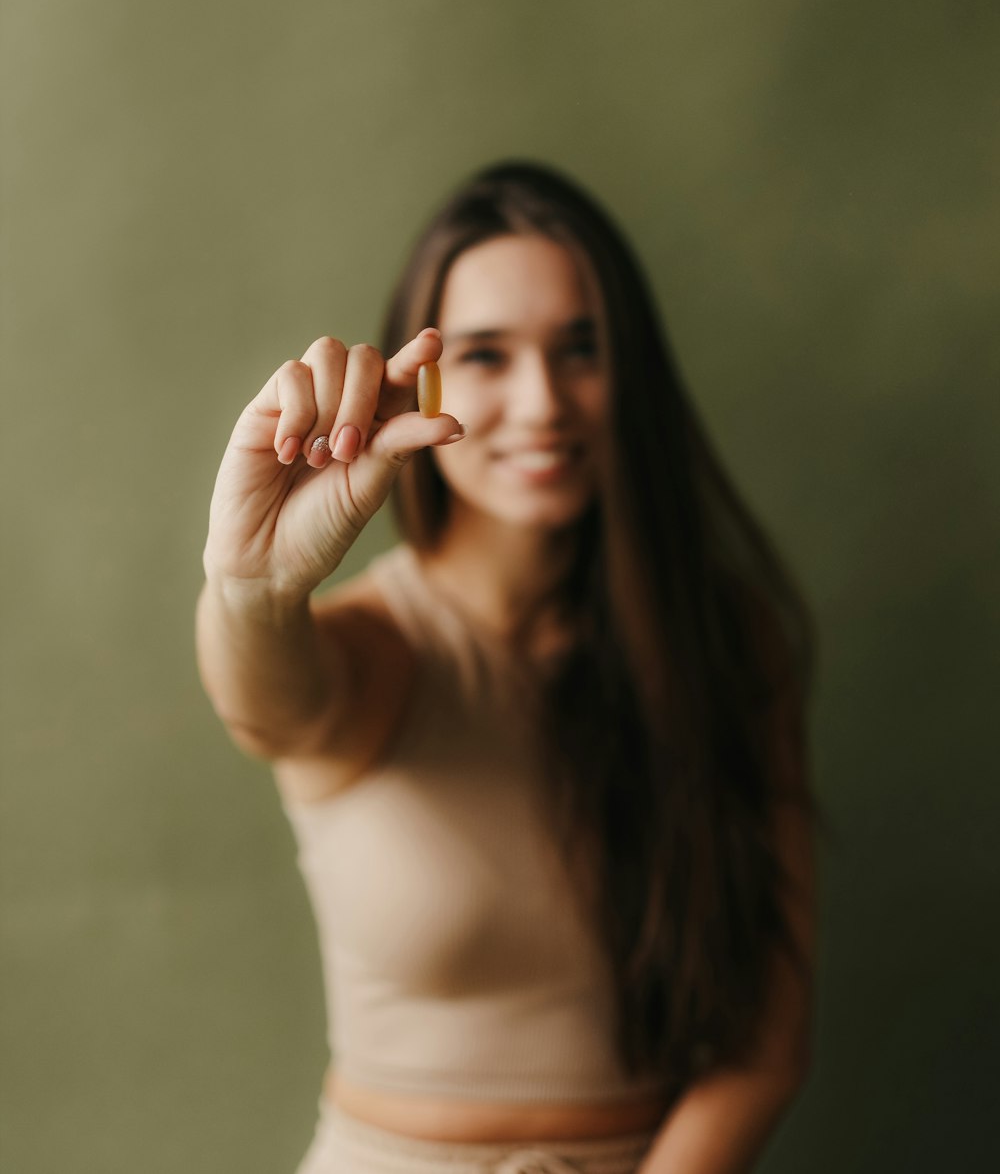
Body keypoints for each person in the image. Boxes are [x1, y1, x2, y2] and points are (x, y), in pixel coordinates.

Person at [195, 160, 823, 1174]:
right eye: (485, 356)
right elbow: (269, 705)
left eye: (582, 348)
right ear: (423, 380)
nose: (541, 403)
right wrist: (248, 592)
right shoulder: (377, 649)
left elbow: (765, 1047)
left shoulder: (723, 641)